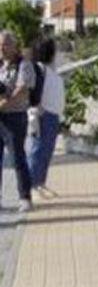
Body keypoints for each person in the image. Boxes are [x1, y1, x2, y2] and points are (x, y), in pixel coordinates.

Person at [0, 31, 39, 212]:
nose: (2, 48)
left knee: (17, 158)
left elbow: (22, 89)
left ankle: (25, 198)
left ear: (14, 46)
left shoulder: (24, 65)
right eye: (0, 44)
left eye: (6, 44)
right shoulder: (1, 65)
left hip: (14, 117)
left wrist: (5, 103)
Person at [28, 37, 63, 198]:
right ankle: (32, 185)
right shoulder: (39, 69)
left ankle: (40, 182)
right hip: (43, 114)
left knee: (47, 151)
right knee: (38, 150)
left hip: (53, 115)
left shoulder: (51, 69)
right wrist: (36, 107)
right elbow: (31, 90)